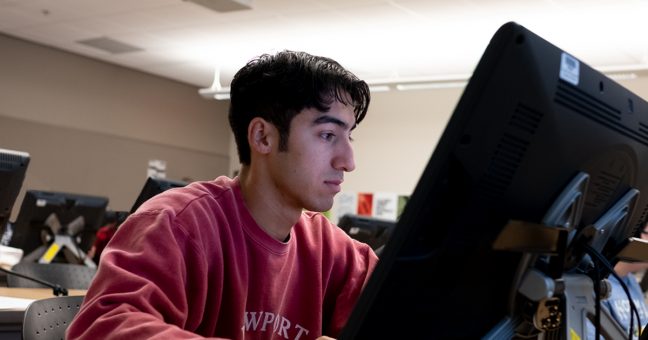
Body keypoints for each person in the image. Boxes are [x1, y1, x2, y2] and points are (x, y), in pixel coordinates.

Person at [67, 50, 377, 340]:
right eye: (327, 135)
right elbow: (103, 327)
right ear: (263, 137)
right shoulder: (176, 225)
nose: (348, 162)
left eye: (348, 137)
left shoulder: (328, 248)